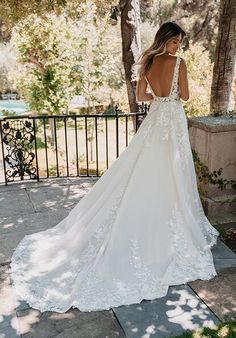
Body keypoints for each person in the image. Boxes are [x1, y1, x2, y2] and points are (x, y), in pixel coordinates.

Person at [10, 22, 219, 313]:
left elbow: (141, 97)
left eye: (179, 43)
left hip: (155, 119)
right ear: (167, 40)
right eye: (176, 42)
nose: (178, 47)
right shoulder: (179, 63)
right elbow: (184, 96)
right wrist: (174, 91)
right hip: (172, 121)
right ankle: (167, 224)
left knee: (146, 169)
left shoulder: (148, 60)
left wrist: (159, 94)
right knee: (172, 172)